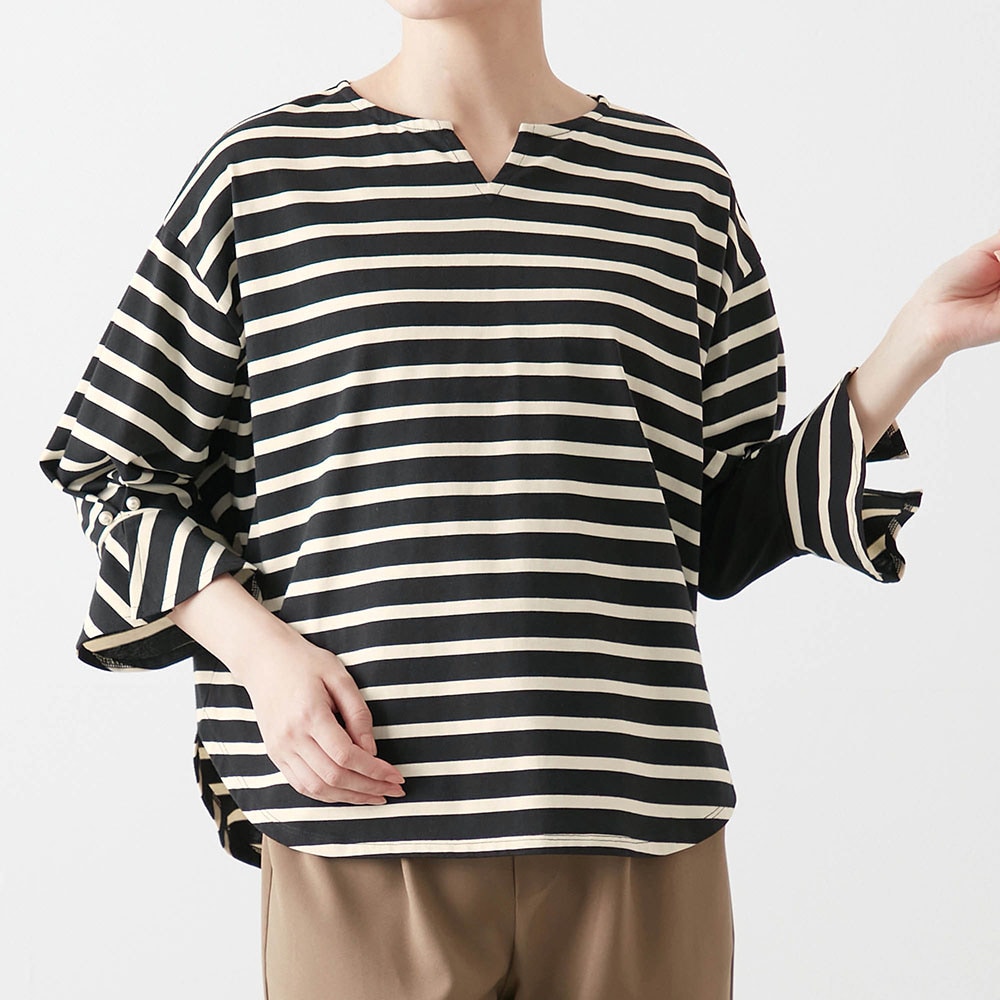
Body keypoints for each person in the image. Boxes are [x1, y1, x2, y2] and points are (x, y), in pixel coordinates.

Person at [37, 1, 1000, 998]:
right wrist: (262, 656)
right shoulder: (264, 176)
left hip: (633, 826)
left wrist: (915, 347)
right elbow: (115, 468)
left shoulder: (679, 189)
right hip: (360, 825)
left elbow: (714, 526)